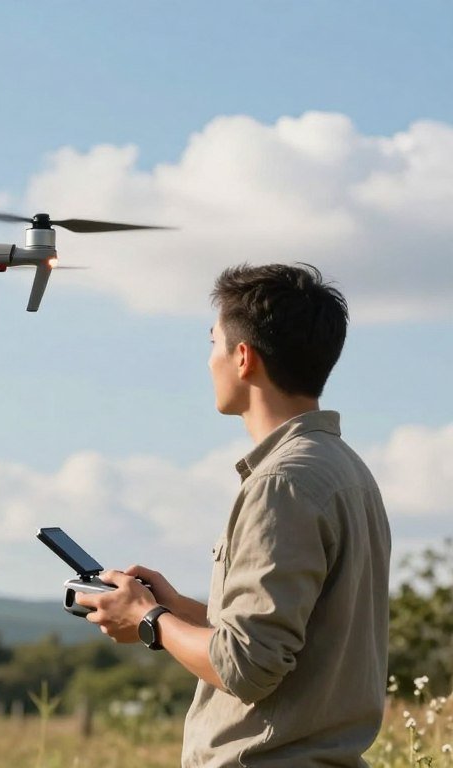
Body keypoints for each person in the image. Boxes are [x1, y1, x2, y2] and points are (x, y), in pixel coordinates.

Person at [75, 263, 391, 767]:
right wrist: (177, 607)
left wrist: (147, 618)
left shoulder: (280, 483)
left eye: (213, 342)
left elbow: (246, 667)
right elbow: (279, 644)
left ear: (243, 357)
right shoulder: (342, 468)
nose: (208, 361)